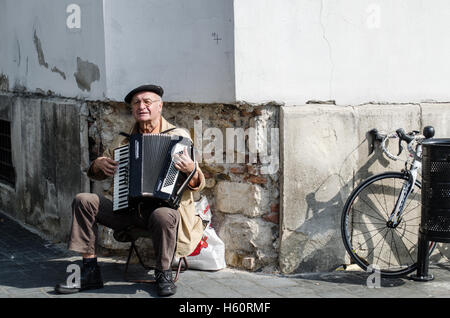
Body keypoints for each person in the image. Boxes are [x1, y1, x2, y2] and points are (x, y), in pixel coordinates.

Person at [55, 84, 205, 296]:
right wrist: (98, 164)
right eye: (136, 103)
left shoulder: (179, 137)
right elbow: (95, 173)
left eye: (147, 102)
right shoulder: (122, 139)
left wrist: (192, 169)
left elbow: (199, 182)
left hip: (163, 212)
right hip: (126, 211)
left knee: (163, 214)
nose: (141, 106)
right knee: (84, 200)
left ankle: (163, 274)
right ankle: (89, 271)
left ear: (159, 106)